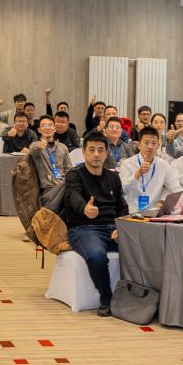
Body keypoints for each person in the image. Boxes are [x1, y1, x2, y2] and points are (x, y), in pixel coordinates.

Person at [50, 132, 128, 316]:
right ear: (84, 152)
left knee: (142, 250)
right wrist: (84, 208)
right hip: (83, 229)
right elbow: (73, 196)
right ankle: (106, 299)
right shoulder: (74, 175)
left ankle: (138, 298)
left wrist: (122, 228)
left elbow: (122, 207)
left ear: (107, 153)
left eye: (100, 150)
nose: (96, 154)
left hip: (113, 228)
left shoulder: (113, 178)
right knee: (97, 256)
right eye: (91, 150)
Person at [116, 126, 181, 215]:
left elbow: (176, 189)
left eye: (154, 143)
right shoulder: (127, 164)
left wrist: (163, 201)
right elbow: (122, 191)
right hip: (131, 214)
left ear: (158, 146)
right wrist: (138, 174)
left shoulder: (163, 165)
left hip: (153, 214)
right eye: (146, 143)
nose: (150, 146)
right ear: (139, 145)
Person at [27, 117, 68, 201]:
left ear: (55, 129)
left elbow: (68, 168)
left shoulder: (63, 147)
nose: (47, 128)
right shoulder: (35, 145)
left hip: (62, 184)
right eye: (44, 125)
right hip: (47, 187)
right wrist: (39, 147)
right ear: (39, 130)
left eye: (50, 125)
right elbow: (33, 151)